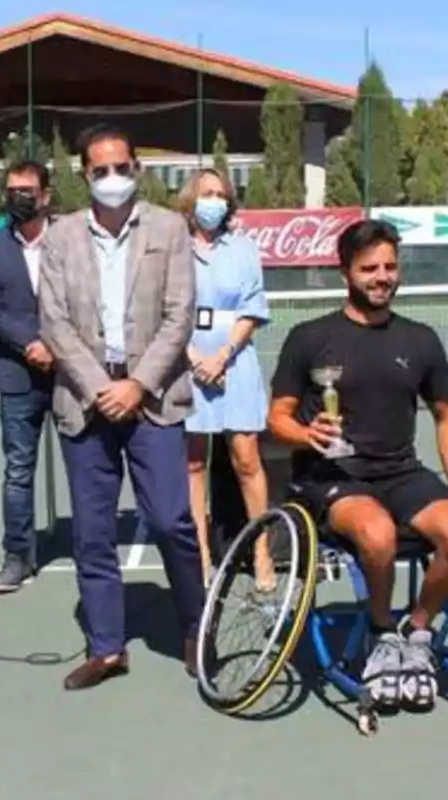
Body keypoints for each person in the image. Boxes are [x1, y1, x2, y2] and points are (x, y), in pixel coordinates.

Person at [268, 218, 448, 710]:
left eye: (390, 266)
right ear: (346, 271)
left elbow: (447, 417)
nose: (382, 276)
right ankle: (382, 629)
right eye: (369, 268)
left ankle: (417, 630)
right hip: (331, 478)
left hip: (401, 472)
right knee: (378, 532)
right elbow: (276, 418)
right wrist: (306, 434)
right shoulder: (309, 337)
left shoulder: (422, 339)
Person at [38, 123, 205, 691]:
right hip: (86, 403)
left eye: (120, 167)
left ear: (136, 167)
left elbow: (180, 315)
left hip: (153, 398)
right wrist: (97, 386)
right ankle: (107, 647)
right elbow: (54, 321)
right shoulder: (59, 236)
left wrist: (137, 384)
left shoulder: (169, 228)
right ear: (84, 175)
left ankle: (195, 626)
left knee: (169, 519)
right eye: (99, 170)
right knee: (91, 531)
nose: (111, 178)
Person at [175, 168, 274, 589]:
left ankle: (262, 552)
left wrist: (222, 355)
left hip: (235, 364)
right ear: (190, 201)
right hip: (186, 366)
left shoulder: (245, 249)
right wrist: (192, 357)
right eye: (205, 193)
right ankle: (200, 555)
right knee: (193, 462)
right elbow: (166, 309)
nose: (213, 201)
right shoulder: (173, 248)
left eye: (220, 194)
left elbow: (252, 307)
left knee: (246, 459)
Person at [0, 160, 55, 594]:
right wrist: (31, 344)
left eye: (27, 190)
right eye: (11, 190)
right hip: (17, 375)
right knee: (18, 470)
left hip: (69, 375)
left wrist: (57, 347)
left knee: (87, 466)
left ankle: (90, 548)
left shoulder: (70, 240)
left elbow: (86, 301)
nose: (18, 198)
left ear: (45, 195)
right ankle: (17, 556)